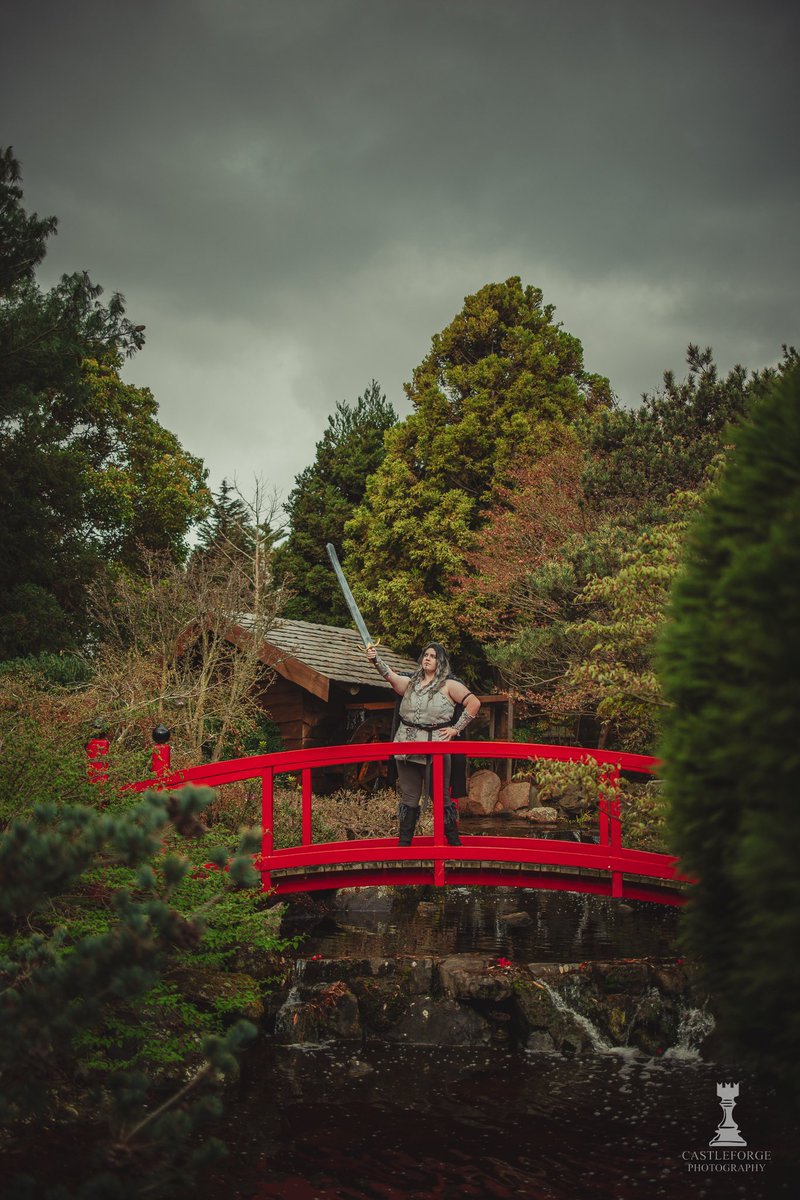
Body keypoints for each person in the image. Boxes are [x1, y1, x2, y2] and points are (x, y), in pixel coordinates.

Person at [366, 642, 481, 846]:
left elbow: (474, 703)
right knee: (409, 797)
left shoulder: (449, 685)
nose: (427, 658)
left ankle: (454, 845)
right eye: (426, 655)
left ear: (440, 661)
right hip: (406, 744)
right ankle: (404, 846)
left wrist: (455, 729)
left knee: (442, 798)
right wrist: (376, 660)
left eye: (433, 656)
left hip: (435, 746)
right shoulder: (411, 682)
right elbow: (390, 676)